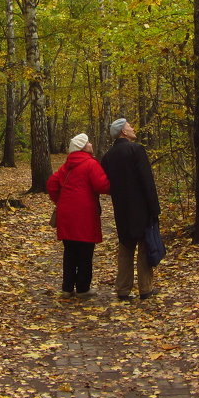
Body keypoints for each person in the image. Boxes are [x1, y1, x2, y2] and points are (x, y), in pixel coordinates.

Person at [101, 118, 160, 300]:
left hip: (121, 209)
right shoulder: (136, 150)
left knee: (125, 247)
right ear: (123, 132)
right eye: (129, 126)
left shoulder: (108, 156)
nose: (133, 128)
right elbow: (147, 181)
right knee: (144, 247)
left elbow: (107, 184)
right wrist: (154, 208)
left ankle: (123, 289)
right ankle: (145, 288)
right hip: (141, 207)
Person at [46, 133, 110, 297]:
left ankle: (67, 288)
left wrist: (59, 201)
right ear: (83, 147)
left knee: (69, 251)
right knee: (85, 251)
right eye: (88, 142)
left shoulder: (66, 165)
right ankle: (82, 288)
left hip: (66, 214)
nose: (91, 144)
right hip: (85, 214)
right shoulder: (90, 164)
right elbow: (102, 185)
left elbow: (52, 184)